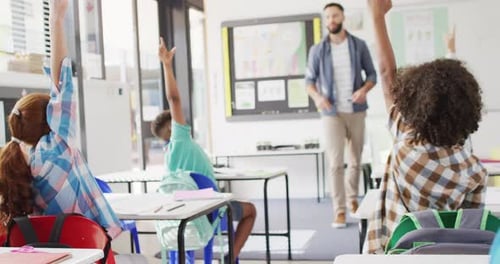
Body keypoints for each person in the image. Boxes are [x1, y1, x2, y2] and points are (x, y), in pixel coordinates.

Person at [365, 0, 486, 253]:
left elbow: (387, 75)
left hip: (395, 254)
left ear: (414, 105)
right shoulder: (473, 171)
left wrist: (377, 15)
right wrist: (451, 51)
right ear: (467, 110)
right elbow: (472, 230)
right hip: (447, 257)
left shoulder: (404, 145)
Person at [0, 0, 122, 238]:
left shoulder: (15, 167)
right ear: (52, 121)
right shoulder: (58, 146)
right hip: (93, 252)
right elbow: (62, 83)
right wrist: (56, 18)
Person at [152, 37, 256, 262]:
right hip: (208, 214)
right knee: (250, 211)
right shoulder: (181, 139)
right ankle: (232, 256)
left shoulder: (169, 157)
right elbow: (174, 99)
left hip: (183, 217)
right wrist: (167, 65)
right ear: (174, 126)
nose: (184, 120)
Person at [305, 2, 377, 228]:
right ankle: (339, 211)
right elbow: (309, 81)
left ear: (343, 17)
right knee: (336, 163)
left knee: (355, 161)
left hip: (356, 111)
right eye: (327, 17)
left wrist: (363, 90)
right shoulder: (318, 50)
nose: (331, 21)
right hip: (331, 113)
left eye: (334, 16)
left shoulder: (358, 45)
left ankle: (353, 200)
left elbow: (373, 75)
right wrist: (318, 98)